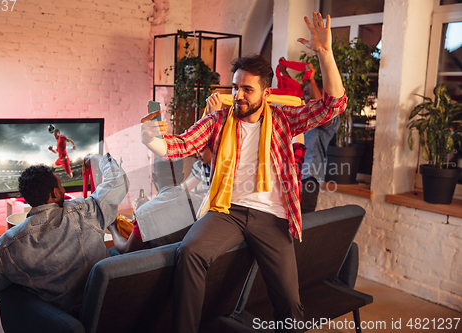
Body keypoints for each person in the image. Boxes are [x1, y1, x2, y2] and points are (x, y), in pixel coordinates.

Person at [141, 13, 346, 333]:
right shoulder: (219, 120)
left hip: (272, 215)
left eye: (247, 89)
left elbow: (332, 105)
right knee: (190, 251)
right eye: (235, 87)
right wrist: (151, 138)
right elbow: (179, 146)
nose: (238, 95)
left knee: (290, 303)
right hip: (227, 211)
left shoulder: (282, 119)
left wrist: (325, 53)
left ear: (265, 93)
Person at [0, 153, 129, 316]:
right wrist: (97, 158)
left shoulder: (7, 245)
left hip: (56, 319)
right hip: (104, 310)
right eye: (61, 186)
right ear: (55, 193)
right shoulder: (87, 211)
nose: (64, 189)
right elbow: (118, 181)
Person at [109, 157, 202, 254]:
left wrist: (113, 228)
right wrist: (148, 206)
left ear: (154, 177)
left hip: (156, 267)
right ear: (182, 177)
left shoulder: (144, 213)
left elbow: (126, 249)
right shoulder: (201, 203)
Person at [300, 63, 340, 213]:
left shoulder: (332, 118)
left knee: (305, 224)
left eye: (309, 92)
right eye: (305, 93)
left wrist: (311, 81)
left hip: (309, 177)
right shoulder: (301, 117)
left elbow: (322, 112)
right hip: (293, 177)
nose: (305, 97)